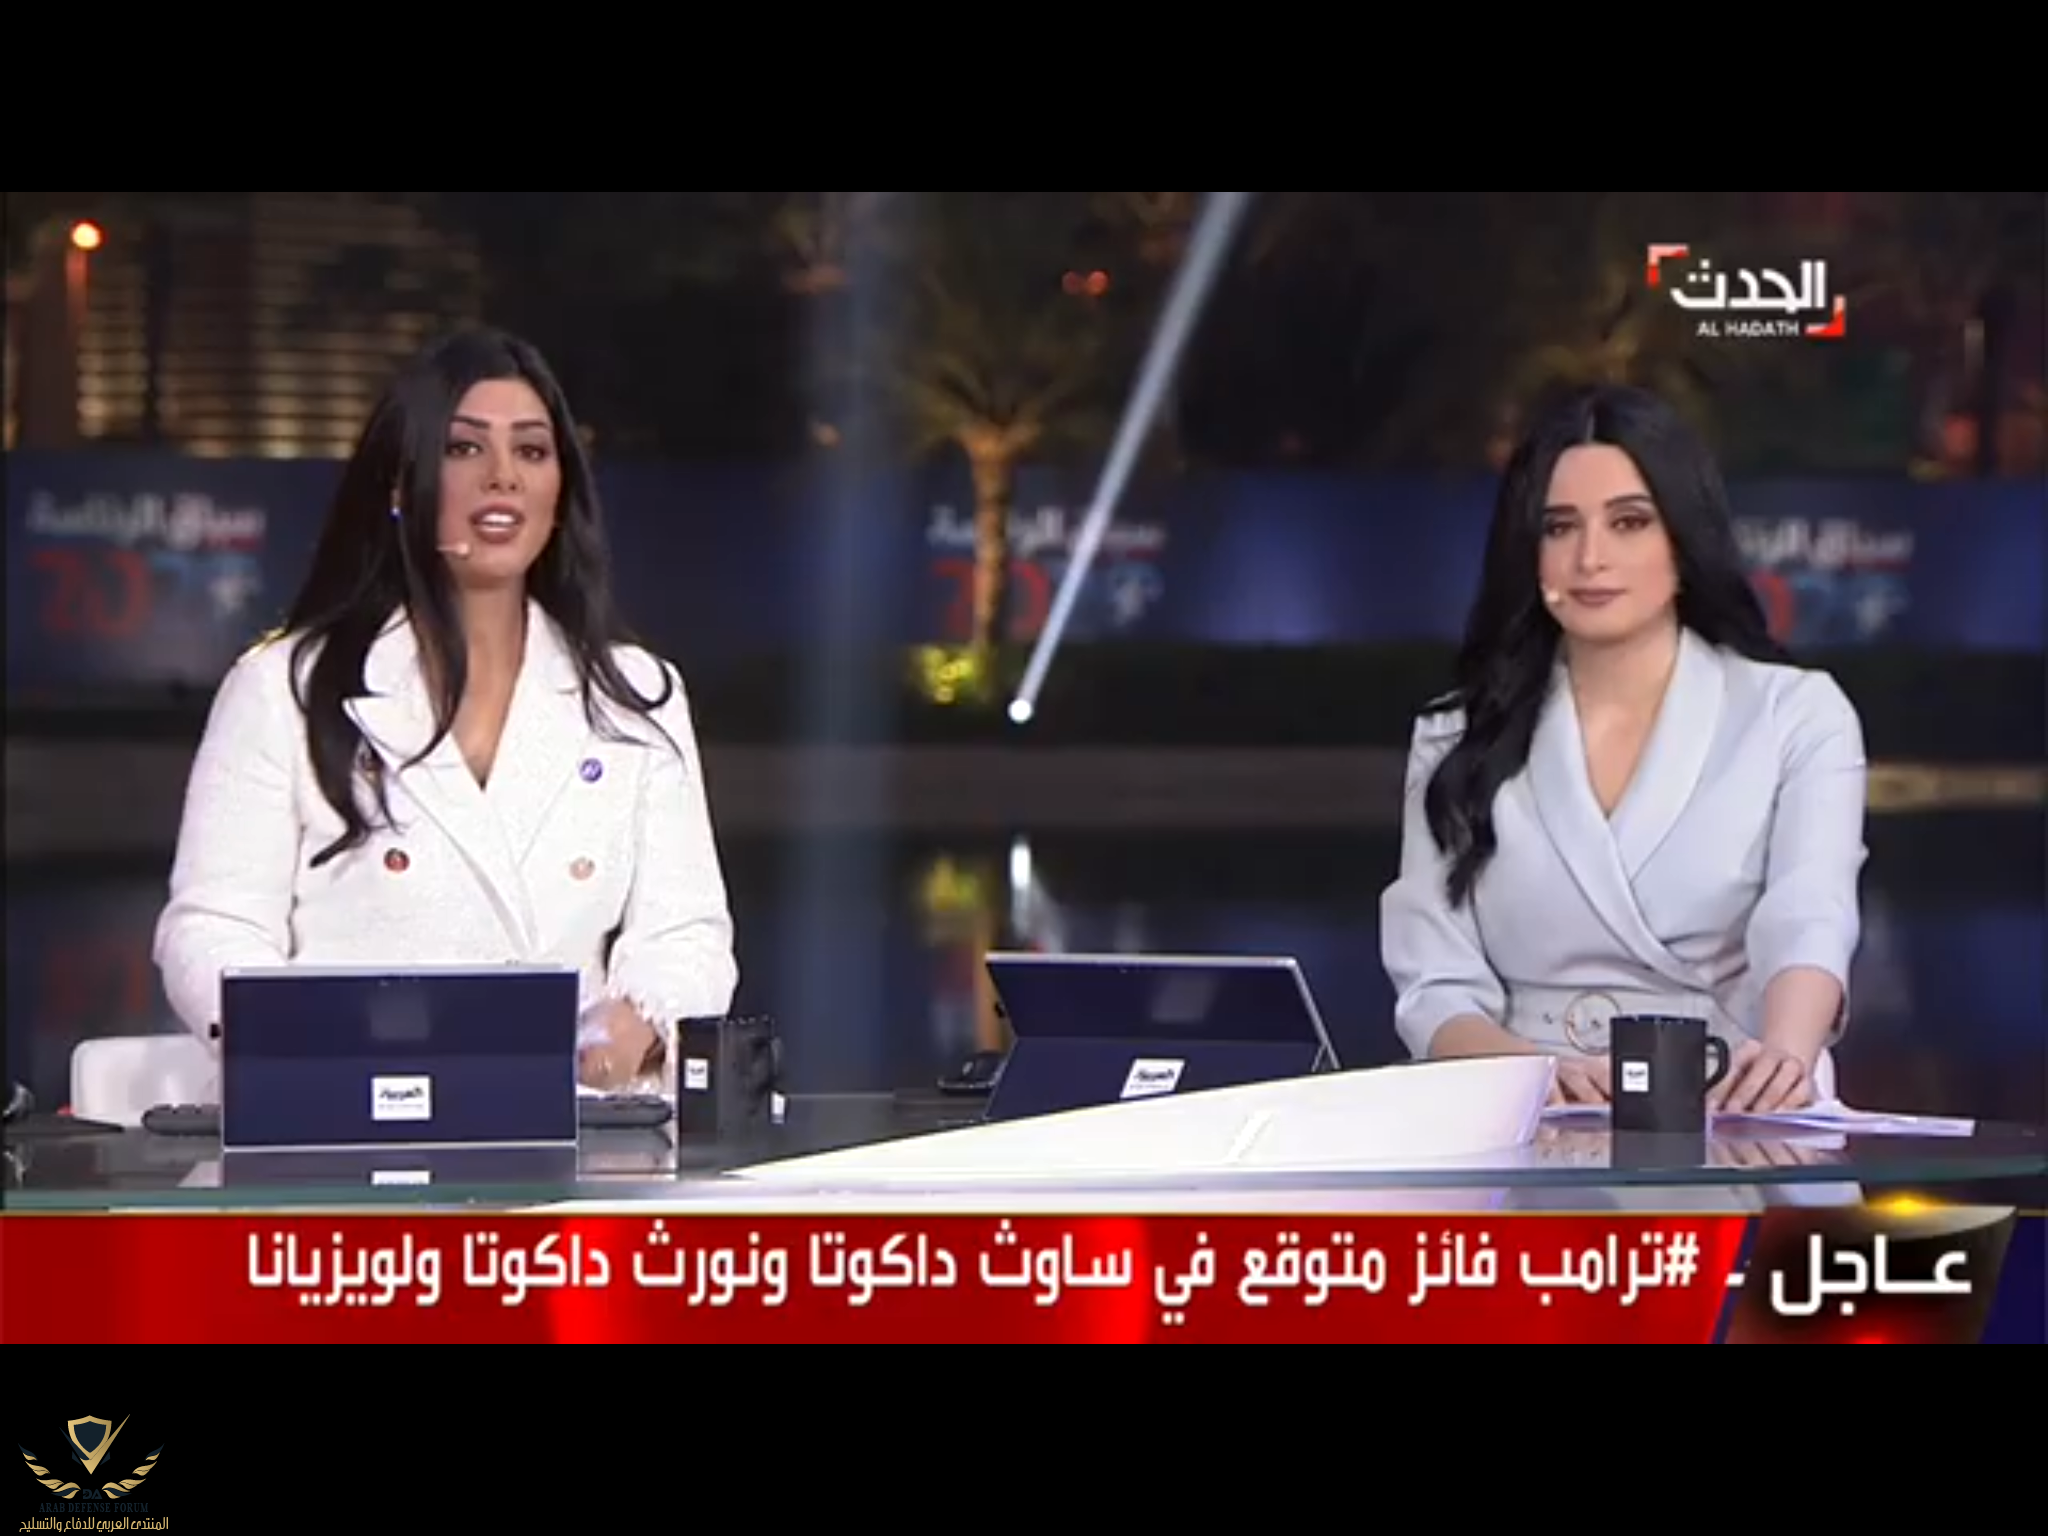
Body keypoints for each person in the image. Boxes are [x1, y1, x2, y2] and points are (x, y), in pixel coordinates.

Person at [153, 327, 737, 1095]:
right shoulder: (283, 690)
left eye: (531, 451)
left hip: (577, 1126)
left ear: (561, 492)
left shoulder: (635, 695)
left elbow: (688, 932)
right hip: (344, 1120)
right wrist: (305, 1052)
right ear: (400, 486)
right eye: (464, 449)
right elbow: (211, 927)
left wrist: (629, 1029)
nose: (503, 477)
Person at [1380, 384, 1866, 1114]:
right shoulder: (1455, 734)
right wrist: (1531, 1075)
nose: (1590, 558)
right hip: (1520, 1106)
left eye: (1629, 522)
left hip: (1733, 1099)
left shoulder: (1796, 715)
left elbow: (1810, 916)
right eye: (1560, 527)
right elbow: (1433, 981)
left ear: (1682, 539)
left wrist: (1786, 1059)